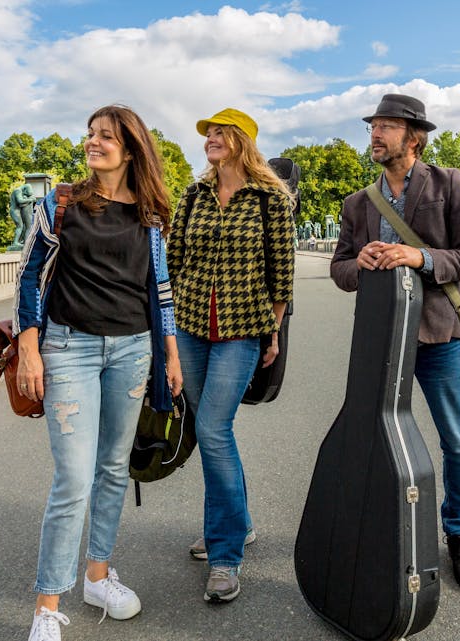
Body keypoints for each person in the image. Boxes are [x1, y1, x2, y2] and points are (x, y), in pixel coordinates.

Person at [14, 104, 183, 641]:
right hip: (69, 348)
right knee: (72, 477)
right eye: (90, 134)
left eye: (106, 136)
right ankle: (47, 607)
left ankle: (98, 576)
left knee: (112, 468)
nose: (93, 142)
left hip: (132, 350)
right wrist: (28, 347)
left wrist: (170, 353)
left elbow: (159, 289)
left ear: (130, 149)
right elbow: (29, 275)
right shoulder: (62, 202)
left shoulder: (151, 214)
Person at [330, 94, 460, 590]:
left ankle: (458, 534)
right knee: (368, 437)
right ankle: (374, 528)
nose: (375, 134)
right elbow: (339, 269)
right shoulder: (358, 202)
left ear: (414, 138)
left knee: (457, 442)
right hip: (380, 338)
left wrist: (420, 258)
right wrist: (361, 263)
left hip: (439, 335)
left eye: (386, 126)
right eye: (373, 126)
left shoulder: (448, 183)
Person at [167, 108, 295, 603]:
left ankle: (224, 555)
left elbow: (281, 274)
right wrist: (167, 334)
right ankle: (236, 523)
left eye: (220, 133)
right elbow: (173, 261)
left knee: (214, 429)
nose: (211, 140)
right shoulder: (194, 195)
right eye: (209, 135)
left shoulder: (270, 199)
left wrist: (274, 332)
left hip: (243, 330)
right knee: (210, 429)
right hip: (190, 324)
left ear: (242, 141)